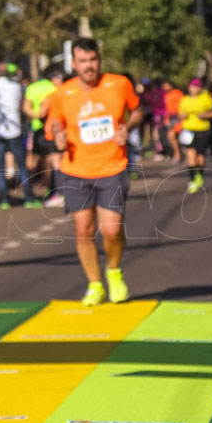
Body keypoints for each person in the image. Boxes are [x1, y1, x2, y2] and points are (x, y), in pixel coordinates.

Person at [46, 38, 142, 306]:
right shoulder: (62, 93)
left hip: (112, 165)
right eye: (83, 61)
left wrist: (128, 126)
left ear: (99, 60)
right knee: (83, 229)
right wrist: (59, 135)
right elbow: (55, 124)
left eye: (93, 60)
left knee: (111, 229)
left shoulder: (119, 83)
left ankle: (113, 270)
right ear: (74, 64)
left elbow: (137, 111)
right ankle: (95, 284)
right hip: (75, 168)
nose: (89, 66)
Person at [0, 63, 37, 209]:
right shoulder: (16, 87)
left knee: (0, 167)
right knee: (21, 165)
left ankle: (3, 199)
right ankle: (28, 197)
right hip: (14, 130)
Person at [23, 65, 65, 207]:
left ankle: (29, 190)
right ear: (54, 77)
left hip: (36, 128)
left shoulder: (33, 87)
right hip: (52, 128)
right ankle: (54, 192)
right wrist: (42, 116)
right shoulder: (55, 89)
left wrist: (35, 117)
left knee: (34, 158)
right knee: (53, 161)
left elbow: (25, 107)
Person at [178, 78, 212, 194]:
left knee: (200, 158)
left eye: (197, 86)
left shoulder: (206, 98)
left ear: (200, 88)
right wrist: (183, 115)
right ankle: (192, 180)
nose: (195, 88)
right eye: (193, 86)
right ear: (189, 87)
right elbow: (180, 113)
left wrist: (205, 115)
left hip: (202, 130)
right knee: (190, 155)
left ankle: (199, 175)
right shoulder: (184, 100)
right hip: (188, 130)